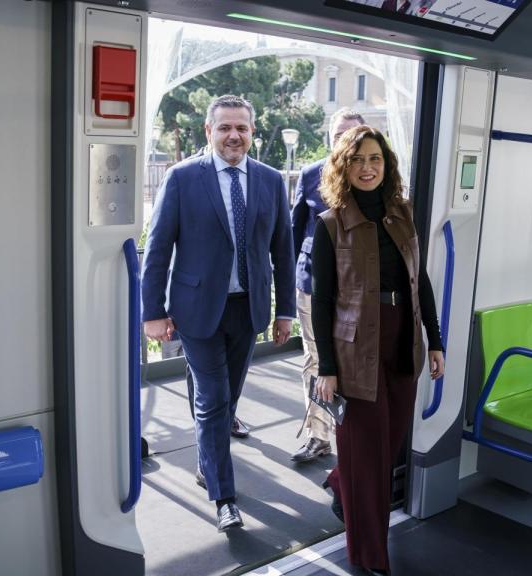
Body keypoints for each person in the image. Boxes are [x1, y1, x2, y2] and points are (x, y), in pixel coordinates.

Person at [141, 94, 295, 532]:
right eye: (225, 127)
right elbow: (157, 249)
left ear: (252, 133)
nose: (234, 135)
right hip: (195, 309)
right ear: (208, 132)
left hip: (248, 309)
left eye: (242, 128)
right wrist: (152, 311)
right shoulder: (183, 177)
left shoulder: (268, 180)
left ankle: (208, 456)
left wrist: (285, 310)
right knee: (214, 401)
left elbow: (282, 251)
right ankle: (223, 495)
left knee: (223, 394)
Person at [311, 126, 445, 575]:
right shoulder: (330, 223)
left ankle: (338, 480)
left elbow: (418, 280)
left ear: (386, 166)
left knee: (384, 450)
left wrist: (436, 338)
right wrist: (326, 367)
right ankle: (370, 557)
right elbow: (322, 301)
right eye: (358, 160)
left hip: (403, 340)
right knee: (368, 461)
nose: (367, 168)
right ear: (343, 167)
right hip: (354, 350)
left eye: (375, 160)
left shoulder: (402, 214)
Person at [289, 108, 365, 463]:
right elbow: (294, 231)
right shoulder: (309, 175)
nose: (343, 141)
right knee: (315, 361)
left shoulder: (371, 177)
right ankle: (319, 436)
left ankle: (347, 436)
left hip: (356, 291)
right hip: (311, 285)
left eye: (351, 134)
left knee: (349, 363)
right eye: (338, 135)